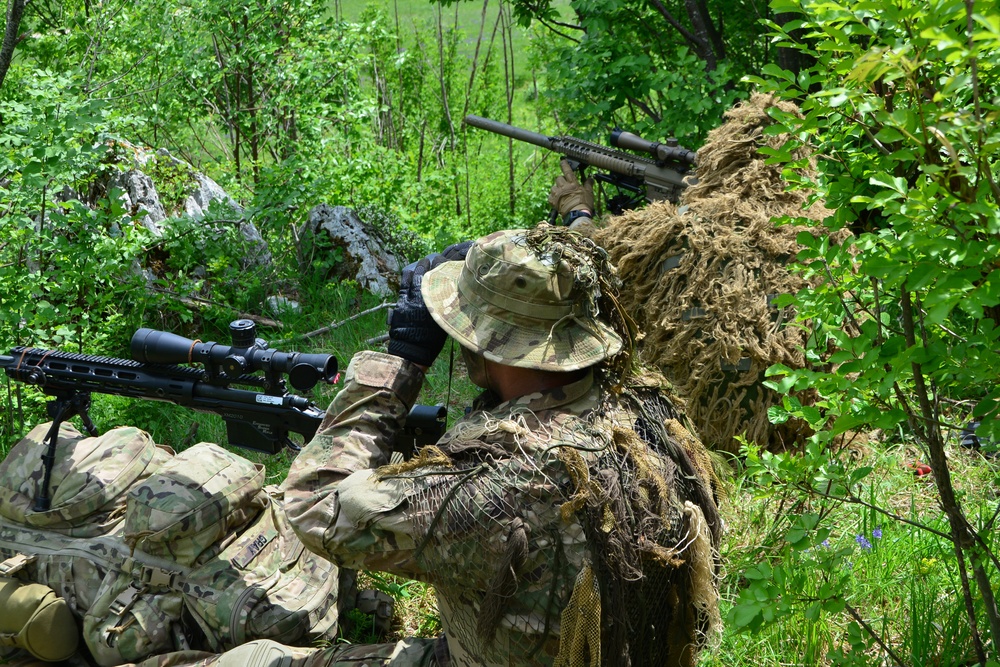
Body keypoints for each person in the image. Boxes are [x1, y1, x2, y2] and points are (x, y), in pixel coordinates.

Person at [129, 224, 721, 667]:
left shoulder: (498, 486)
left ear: (486, 341)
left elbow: (314, 506)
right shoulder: (649, 416)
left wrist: (399, 363)